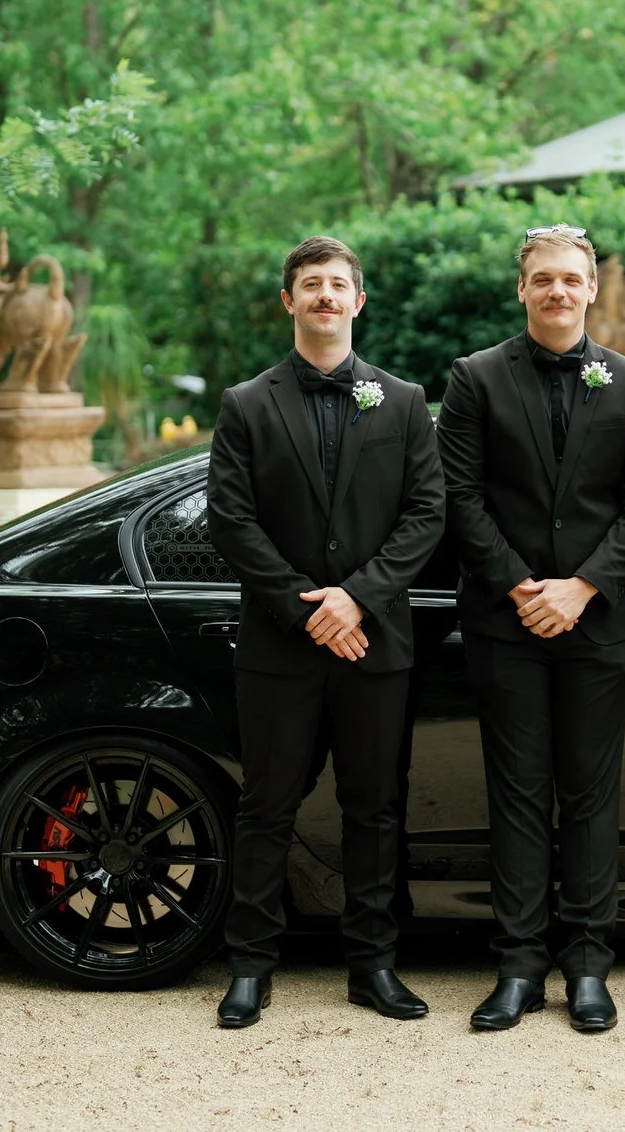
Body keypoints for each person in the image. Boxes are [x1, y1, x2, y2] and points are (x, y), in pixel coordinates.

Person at [436, 225, 625, 1034]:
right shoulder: (475, 378)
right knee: (517, 794)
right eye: (543, 279)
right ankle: (518, 966)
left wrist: (582, 588)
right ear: (523, 288)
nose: (558, 291)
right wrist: (518, 585)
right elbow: (459, 497)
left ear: (592, 288)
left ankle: (589, 967)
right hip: (504, 623)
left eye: (571, 278)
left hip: (596, 625)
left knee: (591, 796)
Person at [206, 234, 446, 1028]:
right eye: (310, 284)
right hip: (280, 646)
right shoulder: (246, 403)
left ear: (358, 300)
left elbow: (426, 514)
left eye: (338, 284)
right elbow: (231, 520)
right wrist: (307, 607)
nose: (325, 296)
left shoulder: (403, 400)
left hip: (376, 643)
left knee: (375, 808)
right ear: (289, 300)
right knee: (266, 806)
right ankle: (250, 966)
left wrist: (359, 598)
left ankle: (373, 965)